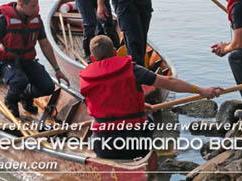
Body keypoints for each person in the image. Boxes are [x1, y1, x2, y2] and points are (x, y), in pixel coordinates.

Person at [80, 35, 222, 159]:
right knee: (150, 120)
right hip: (134, 141)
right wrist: (201, 90)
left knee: (97, 126)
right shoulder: (131, 69)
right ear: (115, 52)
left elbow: (101, 105)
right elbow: (169, 82)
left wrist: (139, 106)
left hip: (104, 145)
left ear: (92, 58)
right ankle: (144, 157)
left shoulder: (85, 78)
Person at [0, 0, 69, 118]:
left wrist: (57, 69)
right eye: (33, 5)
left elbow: (45, 45)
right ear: (21, 5)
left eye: (37, 5)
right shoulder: (2, 21)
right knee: (20, 81)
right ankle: (10, 101)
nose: (36, 8)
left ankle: (25, 96)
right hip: (7, 62)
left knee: (48, 86)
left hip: (28, 61)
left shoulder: (35, 19)